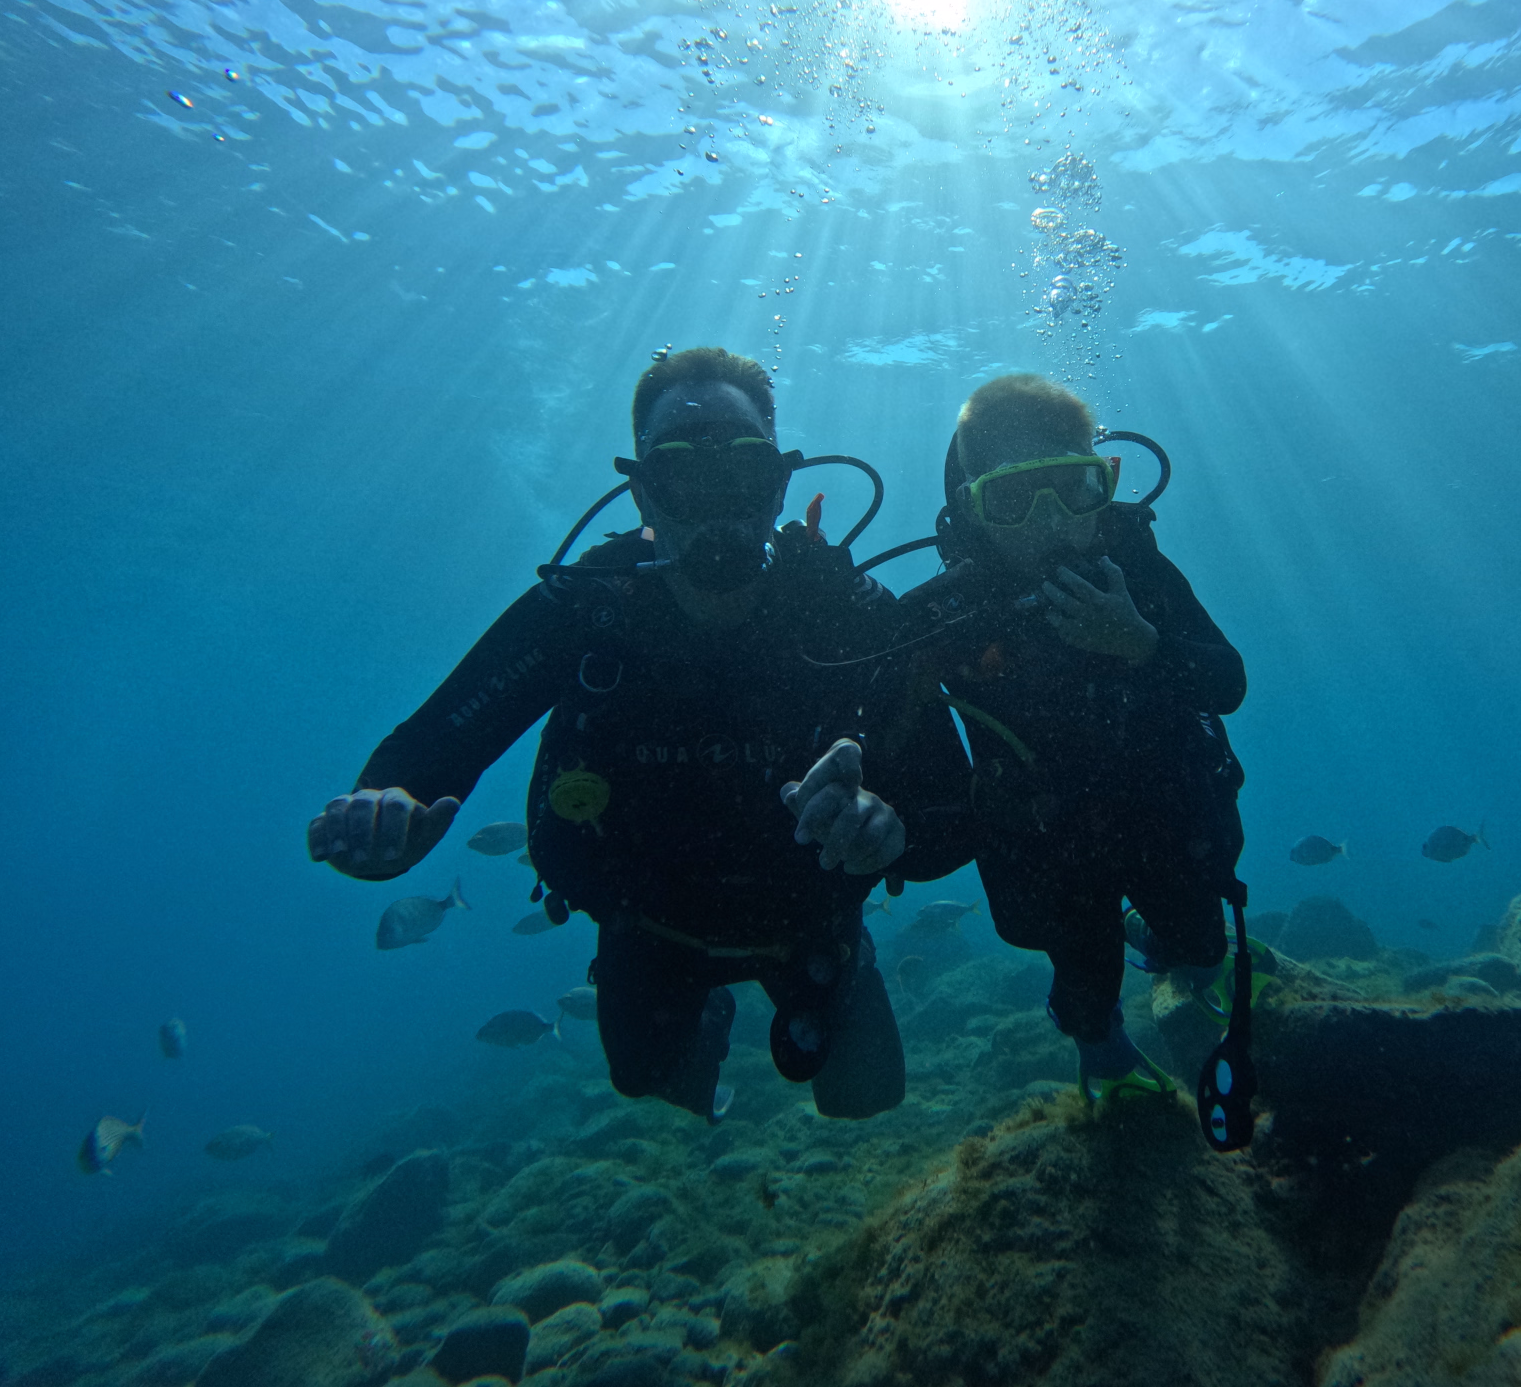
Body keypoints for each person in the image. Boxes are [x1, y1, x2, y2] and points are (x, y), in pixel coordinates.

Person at [308, 347, 972, 1123]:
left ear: (779, 485)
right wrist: (388, 812)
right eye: (685, 475)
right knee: (650, 1082)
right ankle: (704, 1019)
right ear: (641, 492)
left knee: (867, 1098)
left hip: (810, 923)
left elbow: (952, 817)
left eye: (743, 473)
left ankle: (837, 975)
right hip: (650, 928)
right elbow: (431, 748)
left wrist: (892, 835)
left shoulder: (847, 611)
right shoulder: (586, 609)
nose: (718, 506)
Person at [896, 374, 1246, 1101]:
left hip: (1165, 818)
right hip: (1048, 848)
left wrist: (1143, 643)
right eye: (1018, 497)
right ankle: (1103, 1044)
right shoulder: (944, 619)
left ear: (1105, 487)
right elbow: (901, 754)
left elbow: (1227, 683)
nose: (1053, 519)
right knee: (1085, 991)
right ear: (973, 510)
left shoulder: (1138, 572)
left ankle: (1157, 945)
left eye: (1076, 487)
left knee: (1202, 946)